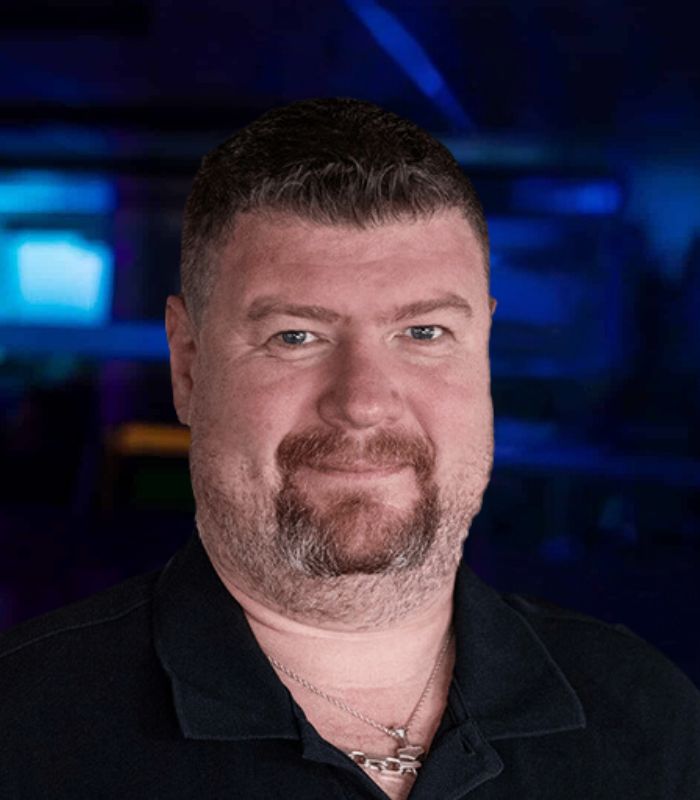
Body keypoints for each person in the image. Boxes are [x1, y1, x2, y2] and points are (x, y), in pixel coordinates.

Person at [1, 98, 698, 800]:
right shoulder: (25, 732)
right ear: (188, 366)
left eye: (423, 333)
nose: (363, 402)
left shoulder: (649, 720)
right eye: (295, 337)